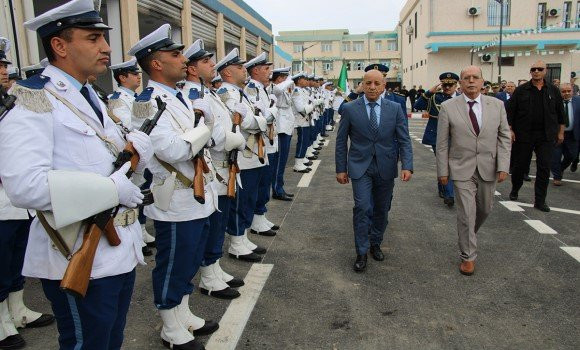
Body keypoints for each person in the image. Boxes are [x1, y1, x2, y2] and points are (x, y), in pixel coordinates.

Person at [0, 0, 154, 348]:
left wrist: (135, 157)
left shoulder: (91, 95)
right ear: (59, 45)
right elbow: (25, 186)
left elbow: (103, 161)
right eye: (93, 38)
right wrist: (110, 190)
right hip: (76, 250)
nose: (106, 48)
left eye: (104, 38)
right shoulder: (34, 99)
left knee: (109, 341)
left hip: (116, 249)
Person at [130, 24, 219, 349]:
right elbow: (173, 150)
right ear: (155, 63)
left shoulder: (179, 95)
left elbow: (194, 138)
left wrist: (201, 131)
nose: (184, 60)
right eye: (176, 54)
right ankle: (169, 324)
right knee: (173, 262)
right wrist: (204, 131)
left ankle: (183, 314)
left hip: (197, 193)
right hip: (175, 197)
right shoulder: (146, 102)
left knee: (191, 257)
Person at [0, 37, 56, 350]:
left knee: (16, 257)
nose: (4, 70)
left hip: (17, 201)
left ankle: (17, 309)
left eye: (5, 64)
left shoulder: (14, 101)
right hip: (1, 199)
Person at [181, 39, 246, 300]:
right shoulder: (192, 95)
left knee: (218, 225)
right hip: (213, 167)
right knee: (213, 225)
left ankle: (214, 269)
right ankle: (208, 276)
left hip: (223, 167)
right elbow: (210, 134)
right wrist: (235, 139)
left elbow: (226, 123)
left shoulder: (208, 92)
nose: (212, 65)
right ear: (193, 69)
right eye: (206, 62)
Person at [335, 69, 413, 273]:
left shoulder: (395, 108)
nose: (372, 87)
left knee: (382, 208)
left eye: (377, 83)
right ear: (362, 84)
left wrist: (407, 165)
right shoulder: (350, 109)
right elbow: (341, 141)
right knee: (362, 207)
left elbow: (404, 139)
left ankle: (375, 242)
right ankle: (361, 251)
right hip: (360, 166)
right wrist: (340, 168)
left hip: (386, 166)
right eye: (368, 83)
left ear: (383, 86)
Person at [436, 65, 511, 276]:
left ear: (482, 81)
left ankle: (467, 234)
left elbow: (504, 137)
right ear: (460, 82)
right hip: (461, 168)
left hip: (489, 165)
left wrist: (504, 165)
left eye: (475, 77)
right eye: (466, 78)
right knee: (466, 213)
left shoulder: (497, 105)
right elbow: (442, 143)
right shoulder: (448, 107)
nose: (471, 81)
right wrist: (443, 171)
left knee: (485, 209)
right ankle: (468, 256)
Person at [218, 48, 268, 263]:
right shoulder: (225, 94)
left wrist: (258, 121)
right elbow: (244, 122)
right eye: (239, 67)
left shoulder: (241, 93)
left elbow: (258, 118)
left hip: (253, 153)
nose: (244, 70)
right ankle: (237, 242)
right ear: (227, 73)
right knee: (240, 202)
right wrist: (259, 121)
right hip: (242, 156)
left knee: (249, 199)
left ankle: (243, 236)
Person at [108, 58, 156, 256]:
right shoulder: (118, 99)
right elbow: (128, 126)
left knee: (143, 192)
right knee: (133, 195)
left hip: (144, 152)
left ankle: (142, 230)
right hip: (132, 152)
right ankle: (137, 233)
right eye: (134, 74)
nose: (138, 77)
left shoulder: (137, 97)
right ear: (122, 77)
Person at [507, 61, 566, 212]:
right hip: (524, 135)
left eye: (540, 69)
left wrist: (561, 132)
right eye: (533, 69)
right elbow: (510, 113)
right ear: (530, 72)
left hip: (546, 136)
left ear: (545, 71)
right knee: (520, 165)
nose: (536, 71)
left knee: (544, 167)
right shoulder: (521, 91)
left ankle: (540, 200)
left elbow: (561, 114)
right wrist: (510, 130)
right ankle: (515, 188)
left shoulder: (553, 91)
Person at [243, 53, 279, 237]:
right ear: (255, 71)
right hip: (258, 144)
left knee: (265, 181)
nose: (269, 72)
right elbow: (265, 117)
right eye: (266, 69)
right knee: (259, 184)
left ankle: (260, 216)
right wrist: (272, 110)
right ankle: (256, 220)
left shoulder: (263, 88)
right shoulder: (252, 89)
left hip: (266, 143)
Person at [414, 72, 459, 207]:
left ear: (456, 85)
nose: (447, 88)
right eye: (444, 85)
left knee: (449, 164)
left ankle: (443, 186)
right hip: (437, 135)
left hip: (457, 136)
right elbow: (417, 105)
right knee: (444, 162)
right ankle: (449, 194)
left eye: (450, 85)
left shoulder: (462, 98)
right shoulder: (435, 97)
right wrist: (429, 92)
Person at [270, 66, 295, 201]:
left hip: (286, 126)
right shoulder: (273, 88)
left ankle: (280, 187)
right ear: (279, 78)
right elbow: (278, 89)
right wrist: (289, 80)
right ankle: (277, 189)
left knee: (283, 160)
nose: (287, 80)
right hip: (280, 128)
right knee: (279, 162)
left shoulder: (283, 88)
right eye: (284, 77)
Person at [550, 83, 579, 185]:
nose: (566, 93)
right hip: (555, 134)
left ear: (572, 91)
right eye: (563, 91)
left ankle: (561, 168)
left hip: (572, 135)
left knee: (572, 155)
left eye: (568, 91)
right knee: (555, 157)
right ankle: (557, 176)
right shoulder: (553, 102)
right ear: (559, 92)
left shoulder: (578, 101)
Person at [291, 72, 314, 173]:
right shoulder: (296, 91)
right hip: (301, 119)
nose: (307, 81)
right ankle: (298, 164)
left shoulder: (302, 90)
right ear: (299, 80)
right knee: (302, 141)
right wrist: (312, 106)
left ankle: (302, 159)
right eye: (304, 79)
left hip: (306, 119)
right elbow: (301, 108)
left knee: (305, 140)